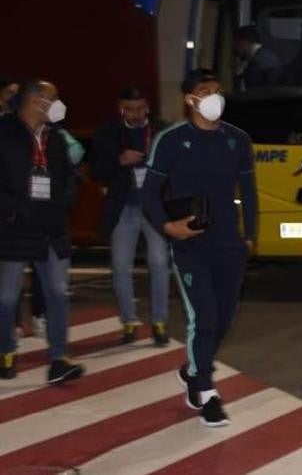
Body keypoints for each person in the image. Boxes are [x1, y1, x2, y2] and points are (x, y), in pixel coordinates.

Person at [141, 70, 257, 426]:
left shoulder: (237, 139)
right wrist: (167, 227)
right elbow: (148, 194)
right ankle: (205, 391)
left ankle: (193, 369)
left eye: (218, 91)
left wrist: (249, 236)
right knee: (203, 316)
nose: (214, 98)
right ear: (189, 99)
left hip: (229, 243)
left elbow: (248, 194)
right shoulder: (171, 140)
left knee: (223, 317)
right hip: (190, 244)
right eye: (205, 91)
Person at [0, 80, 85, 383]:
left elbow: (69, 179)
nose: (59, 103)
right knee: (7, 297)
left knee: (58, 293)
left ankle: (59, 358)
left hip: (51, 228)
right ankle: (6, 351)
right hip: (14, 229)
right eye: (54, 98)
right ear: (36, 101)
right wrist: (16, 208)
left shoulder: (57, 138)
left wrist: (62, 203)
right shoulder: (4, 134)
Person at [90, 86, 170, 346]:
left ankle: (159, 322)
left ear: (147, 107)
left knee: (159, 263)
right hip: (123, 207)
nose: (134, 114)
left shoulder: (162, 131)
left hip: (155, 207)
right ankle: (129, 322)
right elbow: (96, 171)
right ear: (120, 109)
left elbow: (178, 166)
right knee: (120, 266)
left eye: (139, 108)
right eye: (128, 109)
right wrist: (119, 161)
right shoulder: (108, 133)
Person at [233, 25, 283, 90]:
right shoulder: (266, 56)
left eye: (237, 45)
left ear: (243, 42)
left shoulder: (256, 65)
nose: (236, 50)